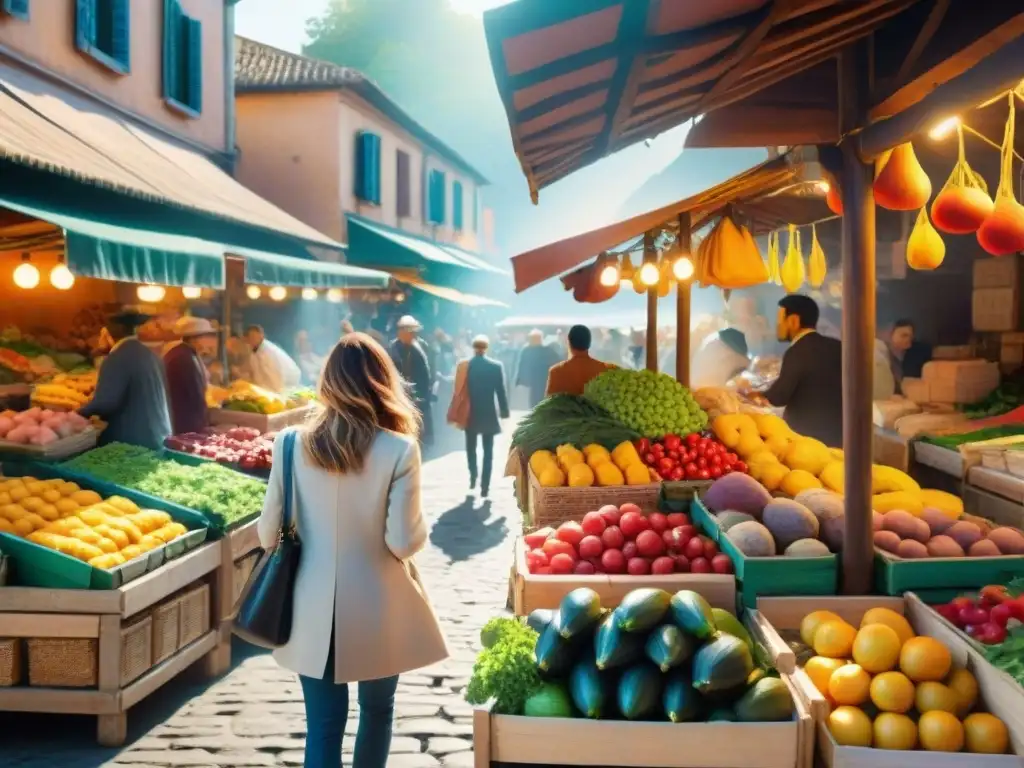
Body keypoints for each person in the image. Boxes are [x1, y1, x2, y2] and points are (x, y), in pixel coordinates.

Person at [257, 333, 447, 768]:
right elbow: (402, 541)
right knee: (377, 712)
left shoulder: (288, 444)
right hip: (380, 605)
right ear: (383, 381)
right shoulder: (400, 448)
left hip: (310, 605)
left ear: (327, 381)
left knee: (323, 724)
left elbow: (268, 535)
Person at [757, 294, 843, 447]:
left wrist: (756, 395)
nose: (777, 327)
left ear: (793, 321)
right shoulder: (837, 346)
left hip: (805, 440)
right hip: (838, 437)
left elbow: (779, 396)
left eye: (779, 321)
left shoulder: (798, 350)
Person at [79, 309, 171, 450]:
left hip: (131, 440)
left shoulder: (117, 357)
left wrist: (78, 414)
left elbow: (106, 402)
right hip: (158, 434)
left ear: (120, 328)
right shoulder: (149, 354)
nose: (106, 329)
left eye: (109, 325)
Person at [460, 335, 510, 497]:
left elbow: (459, 391)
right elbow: (500, 391)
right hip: (488, 412)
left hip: (470, 412)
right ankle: (485, 486)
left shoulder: (465, 366)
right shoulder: (495, 366)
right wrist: (504, 411)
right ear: (486, 348)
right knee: (488, 451)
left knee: (470, 447)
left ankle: (473, 475)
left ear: (473, 347)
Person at [164, 316, 217, 435]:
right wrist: (203, 424)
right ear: (195, 338)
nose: (208, 341)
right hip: (184, 422)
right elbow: (195, 394)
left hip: (182, 419)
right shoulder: (183, 358)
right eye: (205, 337)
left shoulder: (185, 353)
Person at [389, 316, 433, 446]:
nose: (413, 334)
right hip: (401, 390)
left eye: (414, 331)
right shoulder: (393, 348)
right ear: (401, 332)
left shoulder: (420, 345)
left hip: (419, 390)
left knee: (419, 419)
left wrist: (423, 392)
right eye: (410, 331)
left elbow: (425, 370)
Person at [546, 324, 615, 396]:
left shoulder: (556, 372)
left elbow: (549, 404)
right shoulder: (606, 370)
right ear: (589, 343)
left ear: (569, 343)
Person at [246, 324, 302, 393]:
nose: (252, 339)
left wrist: (275, 394)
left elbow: (275, 378)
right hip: (266, 390)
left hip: (285, 388)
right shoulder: (254, 352)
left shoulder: (269, 351)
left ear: (261, 335)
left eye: (254, 336)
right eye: (250, 337)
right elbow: (256, 376)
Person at [885, 319, 932, 393]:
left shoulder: (916, 356)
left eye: (910, 336)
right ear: (891, 334)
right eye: (904, 335)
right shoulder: (883, 355)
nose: (908, 339)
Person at [515, 329, 559, 408]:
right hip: (543, 379)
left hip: (536, 380)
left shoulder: (527, 350)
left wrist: (520, 380)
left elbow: (522, 365)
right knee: (540, 398)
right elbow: (557, 362)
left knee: (535, 398)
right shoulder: (547, 350)